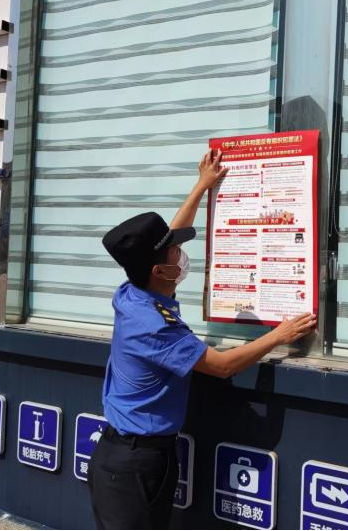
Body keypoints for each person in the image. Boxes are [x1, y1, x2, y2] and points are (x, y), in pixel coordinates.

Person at [88, 149, 316, 530]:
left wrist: (202, 186)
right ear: (160, 270)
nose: (182, 255)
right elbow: (221, 366)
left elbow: (165, 240)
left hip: (125, 457)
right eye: (176, 252)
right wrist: (279, 335)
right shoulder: (154, 326)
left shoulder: (133, 292)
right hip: (133, 468)